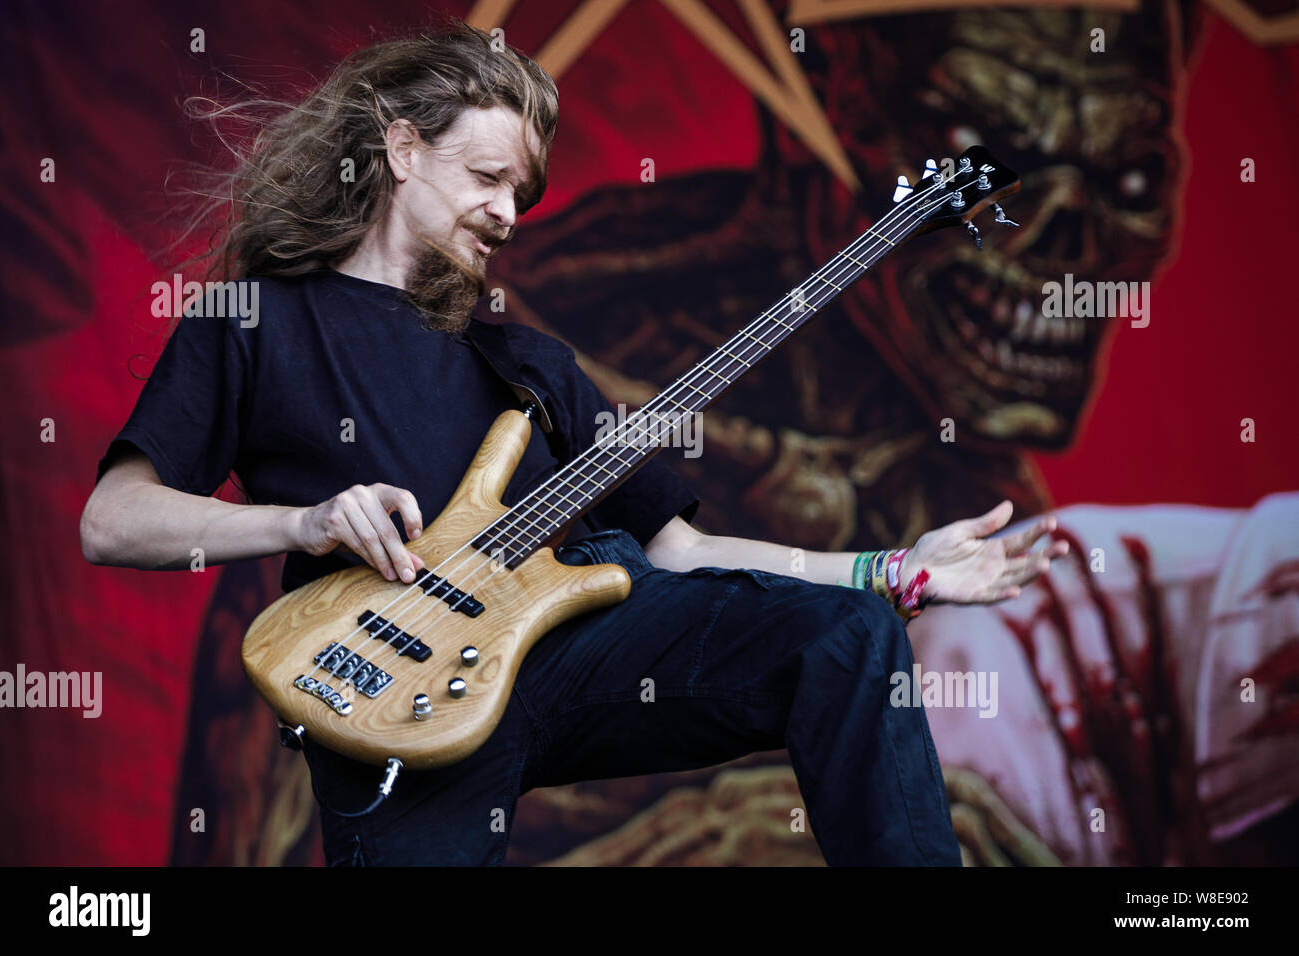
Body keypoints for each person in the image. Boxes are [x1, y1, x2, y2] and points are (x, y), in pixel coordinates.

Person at [79, 19, 1067, 866]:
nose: (510, 214)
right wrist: (303, 517)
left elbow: (683, 554)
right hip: (396, 694)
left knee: (847, 638)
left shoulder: (528, 365)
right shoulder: (254, 322)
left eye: (525, 192)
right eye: (487, 177)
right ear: (401, 147)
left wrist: (890, 568)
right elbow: (111, 521)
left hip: (570, 658)